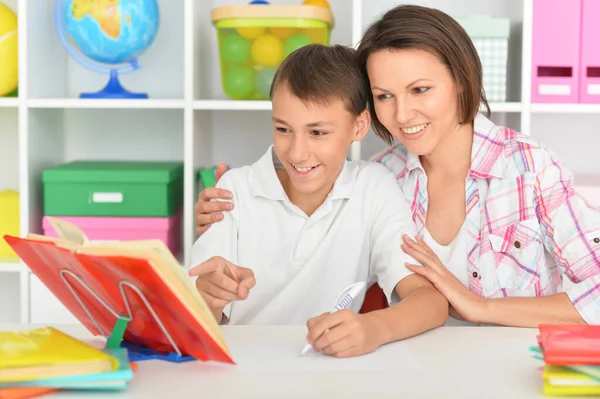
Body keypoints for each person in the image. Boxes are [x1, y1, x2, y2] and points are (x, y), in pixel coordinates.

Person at [194, 5, 600, 327]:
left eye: (420, 89)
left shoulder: (529, 167)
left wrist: (481, 308)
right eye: (384, 96)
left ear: (460, 79)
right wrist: (236, 201)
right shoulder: (383, 176)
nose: (403, 114)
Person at [189, 43, 449, 358]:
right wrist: (209, 295)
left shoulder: (374, 189)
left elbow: (431, 302)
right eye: (283, 129)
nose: (297, 153)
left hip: (329, 369)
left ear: (359, 125)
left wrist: (374, 328)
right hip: (242, 366)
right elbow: (195, 315)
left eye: (318, 133)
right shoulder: (233, 191)